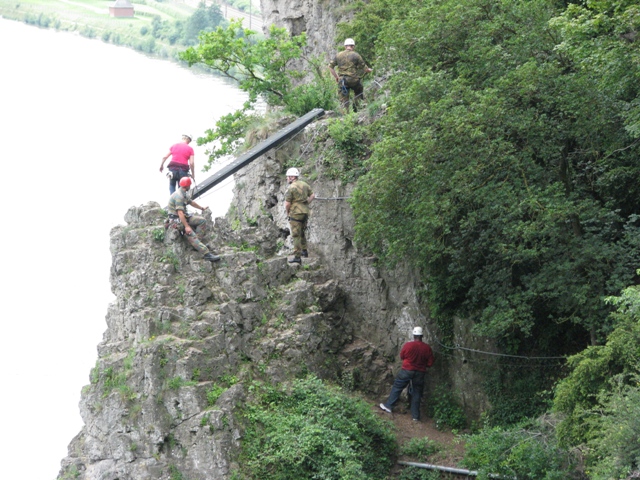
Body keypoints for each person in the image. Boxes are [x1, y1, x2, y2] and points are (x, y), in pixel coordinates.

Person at [379, 327, 435, 421]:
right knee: (417, 392)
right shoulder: (427, 348)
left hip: (407, 370)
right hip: (420, 372)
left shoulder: (408, 345)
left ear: (414, 335)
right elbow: (430, 363)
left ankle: (389, 406)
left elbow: (402, 356)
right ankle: (415, 416)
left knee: (398, 386)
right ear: (422, 336)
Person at [166, 177, 220, 262]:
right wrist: (187, 226)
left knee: (202, 220)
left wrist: (201, 208)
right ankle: (207, 254)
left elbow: (191, 202)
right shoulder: (179, 196)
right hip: (177, 220)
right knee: (191, 234)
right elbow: (180, 213)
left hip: (184, 216)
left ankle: (197, 244)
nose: (190, 186)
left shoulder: (184, 193)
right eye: (189, 185)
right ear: (187, 185)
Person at [328, 38, 372, 112]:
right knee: (359, 91)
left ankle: (345, 116)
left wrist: (336, 77)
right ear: (353, 46)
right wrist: (369, 70)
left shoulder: (338, 55)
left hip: (342, 80)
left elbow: (330, 67)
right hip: (354, 79)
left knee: (343, 100)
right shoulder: (356, 55)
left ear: (345, 46)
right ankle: (357, 109)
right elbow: (364, 68)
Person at [284, 167, 314, 264]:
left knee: (296, 234)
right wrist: (306, 203)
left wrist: (288, 212)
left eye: (288, 177)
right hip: (305, 212)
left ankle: (297, 256)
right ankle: (304, 251)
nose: (287, 179)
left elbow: (287, 203)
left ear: (292, 177)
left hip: (295, 213)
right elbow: (312, 195)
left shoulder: (291, 188)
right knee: (302, 232)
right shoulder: (305, 184)